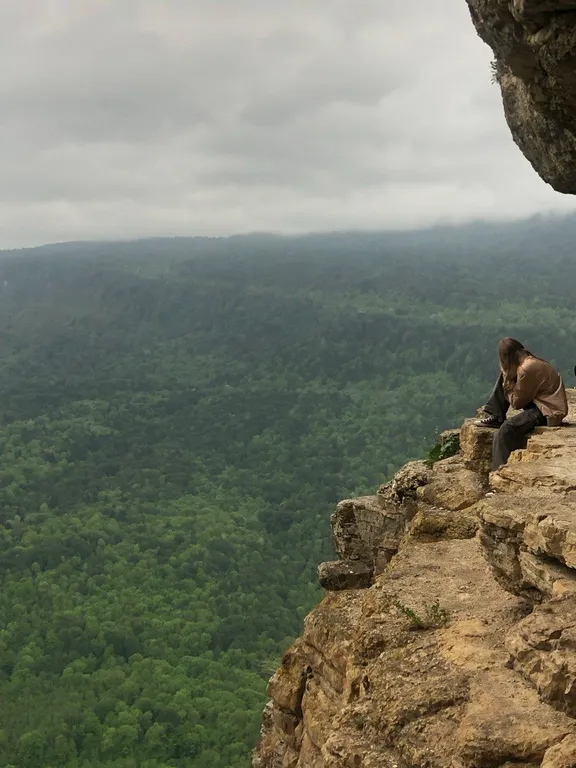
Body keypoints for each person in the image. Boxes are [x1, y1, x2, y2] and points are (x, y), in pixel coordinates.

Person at [475, 338, 568, 470]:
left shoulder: (526, 369)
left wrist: (507, 385)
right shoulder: (528, 362)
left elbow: (517, 403)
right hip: (541, 404)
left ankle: (500, 472)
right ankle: (496, 415)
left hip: (547, 411)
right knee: (504, 377)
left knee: (505, 430)